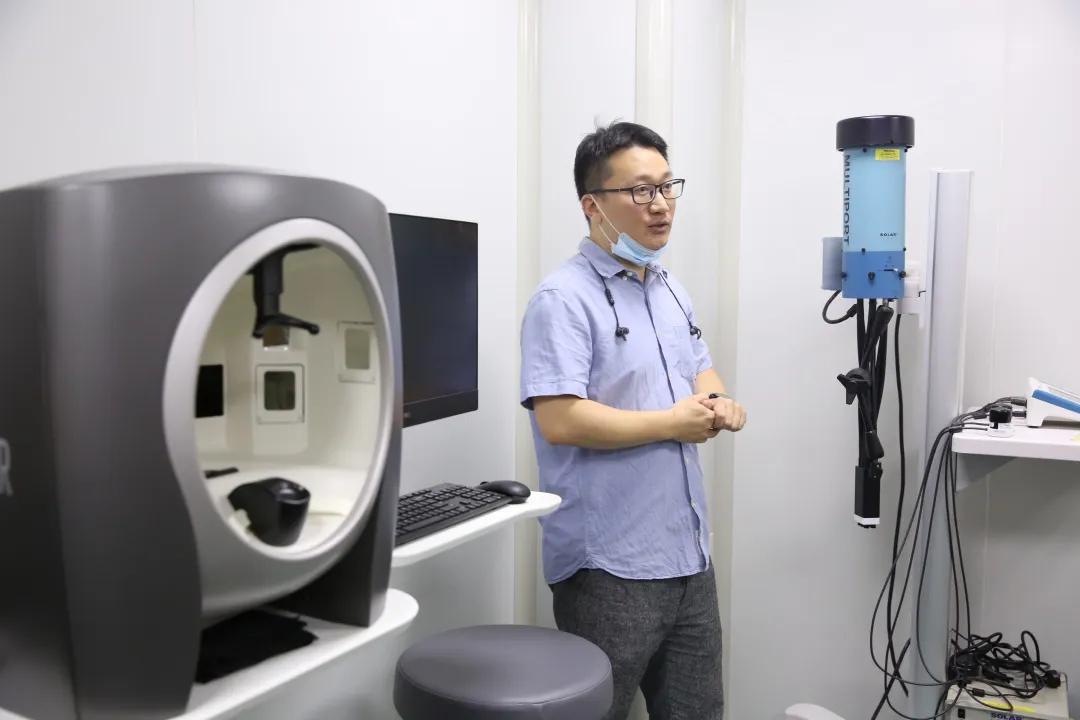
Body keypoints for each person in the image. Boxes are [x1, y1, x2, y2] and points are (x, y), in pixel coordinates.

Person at [520, 121, 746, 719]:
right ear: (592, 205)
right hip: (608, 567)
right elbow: (560, 419)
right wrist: (672, 423)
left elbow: (700, 367)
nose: (661, 204)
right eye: (641, 190)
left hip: (688, 556)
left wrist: (719, 400)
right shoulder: (562, 299)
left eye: (668, 186)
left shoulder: (668, 288)